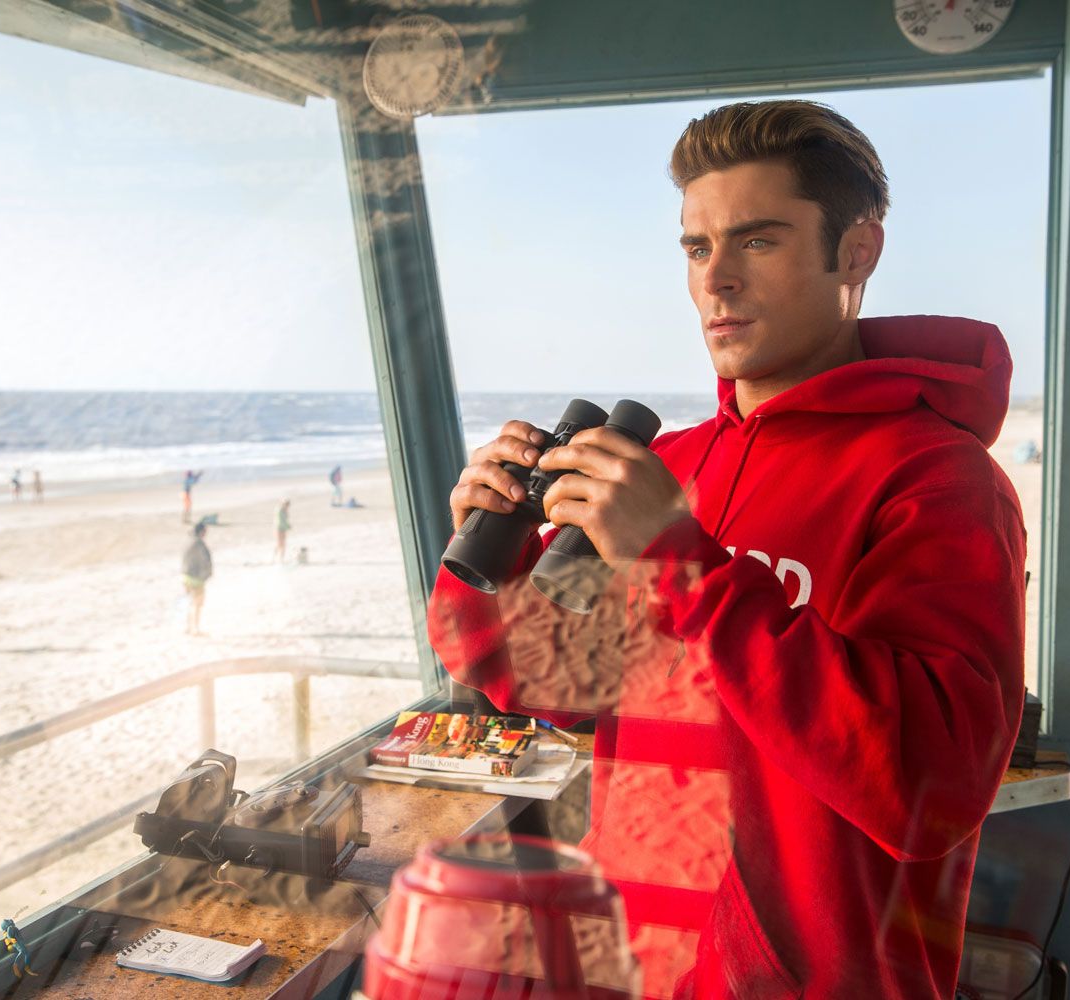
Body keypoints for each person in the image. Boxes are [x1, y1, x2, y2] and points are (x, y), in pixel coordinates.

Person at [428, 100, 1027, 999]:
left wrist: (686, 571)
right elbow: (561, 689)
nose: (717, 281)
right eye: (696, 247)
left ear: (856, 254)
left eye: (757, 241)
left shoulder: (939, 481)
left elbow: (931, 787)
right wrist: (488, 564)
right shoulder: (668, 467)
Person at [182, 523, 213, 635]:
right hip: (196, 578)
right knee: (197, 604)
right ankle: (195, 628)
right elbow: (207, 561)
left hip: (185, 576)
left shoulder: (188, 542)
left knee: (189, 602)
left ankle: (187, 626)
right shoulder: (200, 544)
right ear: (202, 532)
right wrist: (207, 575)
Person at [274, 498, 291, 563]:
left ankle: (281, 559)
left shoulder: (285, 511)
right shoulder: (280, 510)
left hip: (283, 529)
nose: (287, 506)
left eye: (288, 505)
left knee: (283, 544)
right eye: (286, 504)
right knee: (279, 544)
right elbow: (281, 521)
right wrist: (288, 526)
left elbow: (285, 521)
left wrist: (288, 526)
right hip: (278, 528)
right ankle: (274, 558)